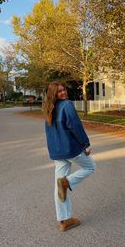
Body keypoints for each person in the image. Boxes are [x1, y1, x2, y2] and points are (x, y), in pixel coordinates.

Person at [43, 81, 96, 232]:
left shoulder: (49, 109)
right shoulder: (66, 105)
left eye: (64, 89)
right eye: (59, 91)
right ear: (54, 94)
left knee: (58, 186)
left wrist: (53, 151)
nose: (63, 92)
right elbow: (76, 126)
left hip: (57, 153)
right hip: (70, 150)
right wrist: (86, 144)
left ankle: (64, 220)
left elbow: (50, 134)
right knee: (91, 167)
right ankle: (68, 182)